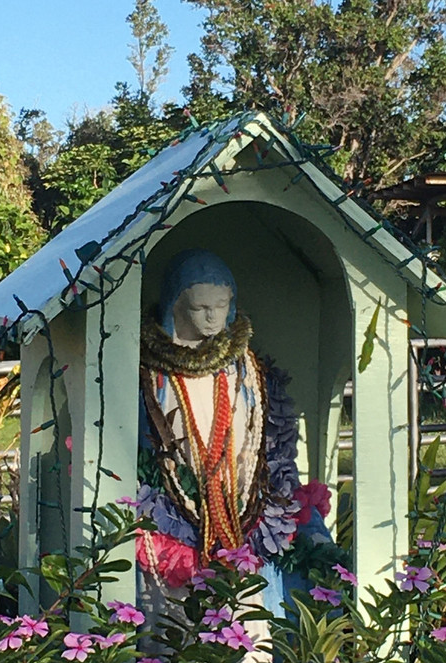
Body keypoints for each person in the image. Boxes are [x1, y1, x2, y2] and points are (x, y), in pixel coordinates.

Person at [130, 249, 331, 626]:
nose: (211, 317)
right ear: (174, 306)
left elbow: (272, 451)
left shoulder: (250, 373)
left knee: (250, 630)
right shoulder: (149, 376)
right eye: (199, 307)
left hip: (244, 520)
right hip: (176, 527)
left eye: (220, 306)